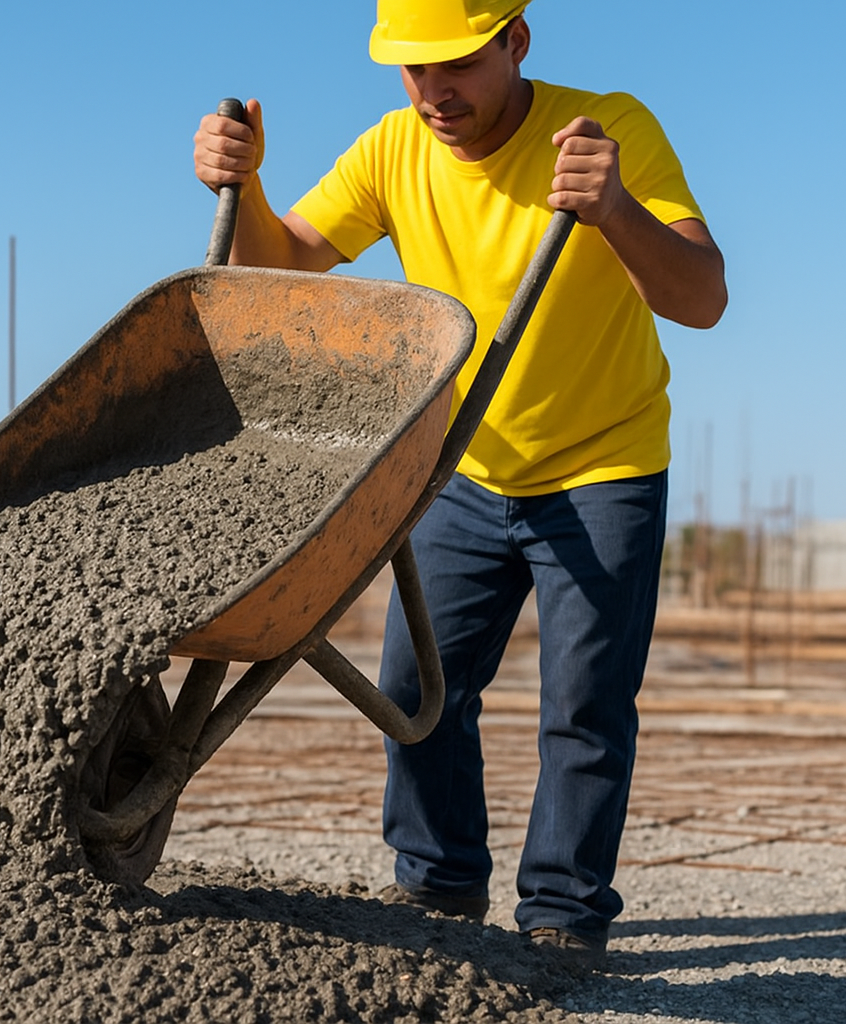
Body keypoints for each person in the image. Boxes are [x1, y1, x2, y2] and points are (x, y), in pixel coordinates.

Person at [192, 0, 727, 969]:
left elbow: (702, 299)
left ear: (516, 42)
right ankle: (439, 887)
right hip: (465, 469)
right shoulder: (395, 149)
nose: (432, 93)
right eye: (412, 71)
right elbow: (281, 267)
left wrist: (614, 210)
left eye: (455, 68)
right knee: (415, 688)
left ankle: (564, 914)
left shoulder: (608, 130)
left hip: (604, 463)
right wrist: (249, 182)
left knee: (585, 699)